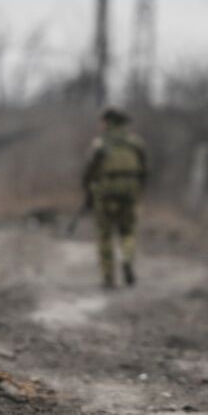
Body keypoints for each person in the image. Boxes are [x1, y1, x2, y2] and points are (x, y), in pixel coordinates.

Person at [82, 105, 147, 288]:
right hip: (130, 194)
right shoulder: (136, 143)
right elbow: (144, 172)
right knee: (128, 232)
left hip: (106, 195)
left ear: (108, 122)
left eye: (102, 122)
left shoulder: (99, 144)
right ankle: (126, 258)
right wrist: (138, 191)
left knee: (105, 235)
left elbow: (89, 173)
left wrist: (88, 193)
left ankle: (108, 277)